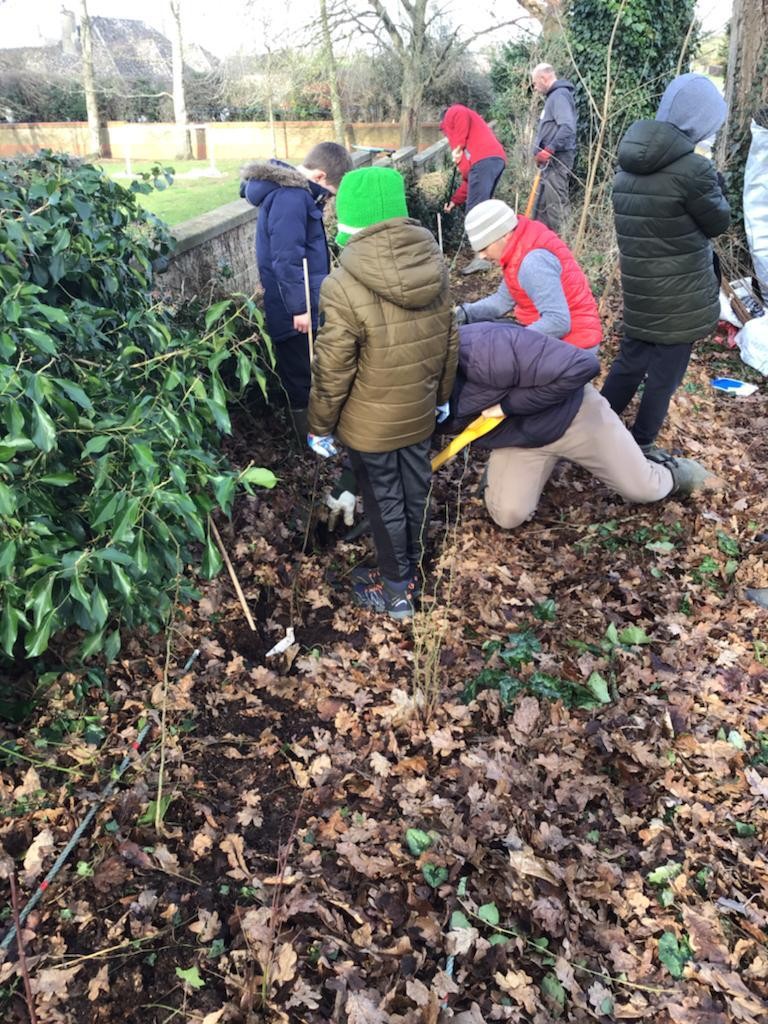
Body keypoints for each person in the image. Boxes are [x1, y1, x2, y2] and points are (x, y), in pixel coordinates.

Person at [306, 166, 458, 620]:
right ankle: (413, 572)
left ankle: (395, 593)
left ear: (349, 222)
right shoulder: (434, 266)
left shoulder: (341, 285)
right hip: (419, 412)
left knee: (385, 501)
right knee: (415, 492)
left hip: (369, 428)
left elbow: (333, 366)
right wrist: (441, 396)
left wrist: (319, 426)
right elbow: (449, 340)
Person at [448, 322, 713, 530]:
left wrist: (508, 406)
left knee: (644, 489)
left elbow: (582, 365)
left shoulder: (484, 346)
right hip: (519, 440)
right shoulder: (422, 403)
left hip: (574, 416)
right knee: (507, 516)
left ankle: (680, 472)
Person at [601, 73, 731, 456]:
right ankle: (641, 444)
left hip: (641, 291)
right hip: (681, 299)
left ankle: (594, 428)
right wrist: (718, 187)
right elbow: (718, 223)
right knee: (663, 378)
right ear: (700, 122)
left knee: (629, 363)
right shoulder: (694, 170)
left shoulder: (626, 167)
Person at [240, 142, 353, 437]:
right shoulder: (291, 198)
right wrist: (299, 308)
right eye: (330, 193)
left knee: (309, 367)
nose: (328, 201)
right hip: (294, 312)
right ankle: (308, 439)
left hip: (302, 304)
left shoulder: (296, 194)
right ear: (319, 176)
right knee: (301, 374)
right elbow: (286, 258)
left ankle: (317, 431)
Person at [456, 199, 602, 350]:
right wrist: (464, 313)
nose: (482, 256)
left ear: (505, 235)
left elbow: (558, 322)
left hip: (574, 346)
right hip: (552, 335)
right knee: (485, 334)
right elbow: (503, 300)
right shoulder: (519, 249)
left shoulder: (532, 262)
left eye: (484, 247)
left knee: (488, 352)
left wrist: (512, 343)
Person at [440, 104, 507, 275]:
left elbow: (459, 112)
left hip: (485, 160)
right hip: (495, 160)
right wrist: (454, 201)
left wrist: (458, 146)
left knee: (475, 213)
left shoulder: (453, 113)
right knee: (482, 209)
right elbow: (470, 180)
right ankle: (493, 254)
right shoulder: (471, 146)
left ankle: (482, 258)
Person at [531, 63, 578, 233]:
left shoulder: (559, 96)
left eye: (535, 83)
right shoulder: (553, 97)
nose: (535, 88)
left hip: (557, 160)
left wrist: (549, 149)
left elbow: (567, 127)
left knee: (556, 206)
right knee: (541, 208)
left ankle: (565, 242)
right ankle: (544, 243)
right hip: (548, 164)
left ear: (544, 78)